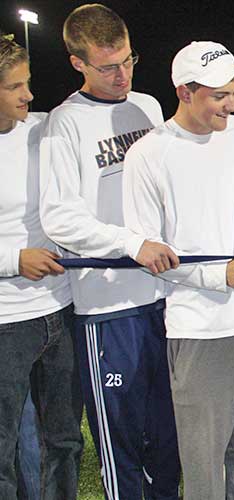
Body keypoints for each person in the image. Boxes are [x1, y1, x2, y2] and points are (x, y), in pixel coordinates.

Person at [122, 41, 234, 500]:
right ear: (185, 91)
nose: (232, 103)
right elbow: (149, 251)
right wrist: (217, 276)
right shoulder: (148, 154)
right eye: (220, 95)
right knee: (204, 466)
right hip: (199, 327)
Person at [38, 5, 181, 498]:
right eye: (107, 66)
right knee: (121, 445)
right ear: (77, 63)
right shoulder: (64, 124)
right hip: (108, 307)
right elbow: (60, 218)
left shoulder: (147, 106)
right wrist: (132, 244)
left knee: (168, 438)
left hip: (166, 297)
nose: (121, 75)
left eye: (127, 60)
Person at [0, 37, 82, 500]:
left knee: (66, 441)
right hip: (6, 321)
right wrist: (14, 260)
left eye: (27, 83)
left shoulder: (45, 129)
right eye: (15, 87)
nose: (28, 95)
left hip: (61, 306)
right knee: (4, 448)